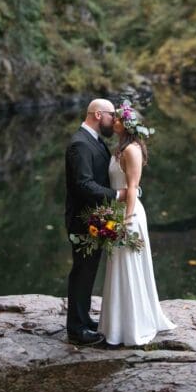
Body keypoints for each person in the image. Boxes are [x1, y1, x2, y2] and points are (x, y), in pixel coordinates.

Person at [97, 101, 176, 346]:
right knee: (117, 266)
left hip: (128, 214)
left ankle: (132, 325)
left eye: (118, 118)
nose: (114, 121)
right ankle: (116, 324)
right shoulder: (119, 148)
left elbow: (132, 188)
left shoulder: (132, 150)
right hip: (116, 210)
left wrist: (127, 220)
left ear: (127, 124)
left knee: (128, 265)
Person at [64, 98, 129, 346]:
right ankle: (77, 330)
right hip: (82, 220)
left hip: (95, 217)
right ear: (98, 114)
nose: (115, 120)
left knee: (89, 270)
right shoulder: (80, 144)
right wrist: (118, 195)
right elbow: (83, 184)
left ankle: (83, 318)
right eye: (112, 115)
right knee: (82, 271)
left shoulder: (94, 139)